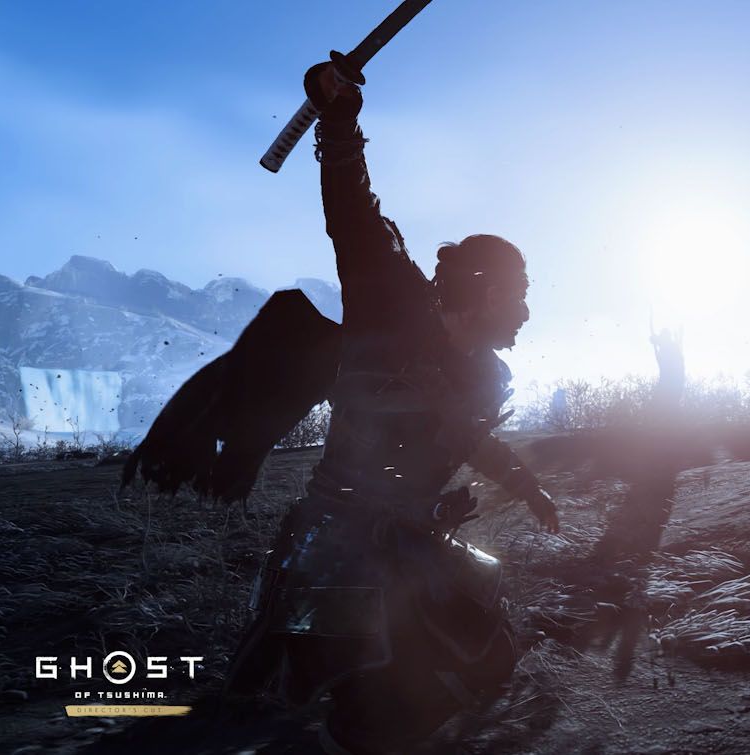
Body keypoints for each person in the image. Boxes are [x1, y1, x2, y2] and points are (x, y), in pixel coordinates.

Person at [225, 59, 559, 754]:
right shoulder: (391, 300)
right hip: (336, 545)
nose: (527, 310)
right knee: (364, 713)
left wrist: (527, 485)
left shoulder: (486, 374)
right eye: (518, 293)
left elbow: (467, 437)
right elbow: (353, 213)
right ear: (482, 288)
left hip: (413, 544)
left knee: (486, 660)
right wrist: (340, 121)